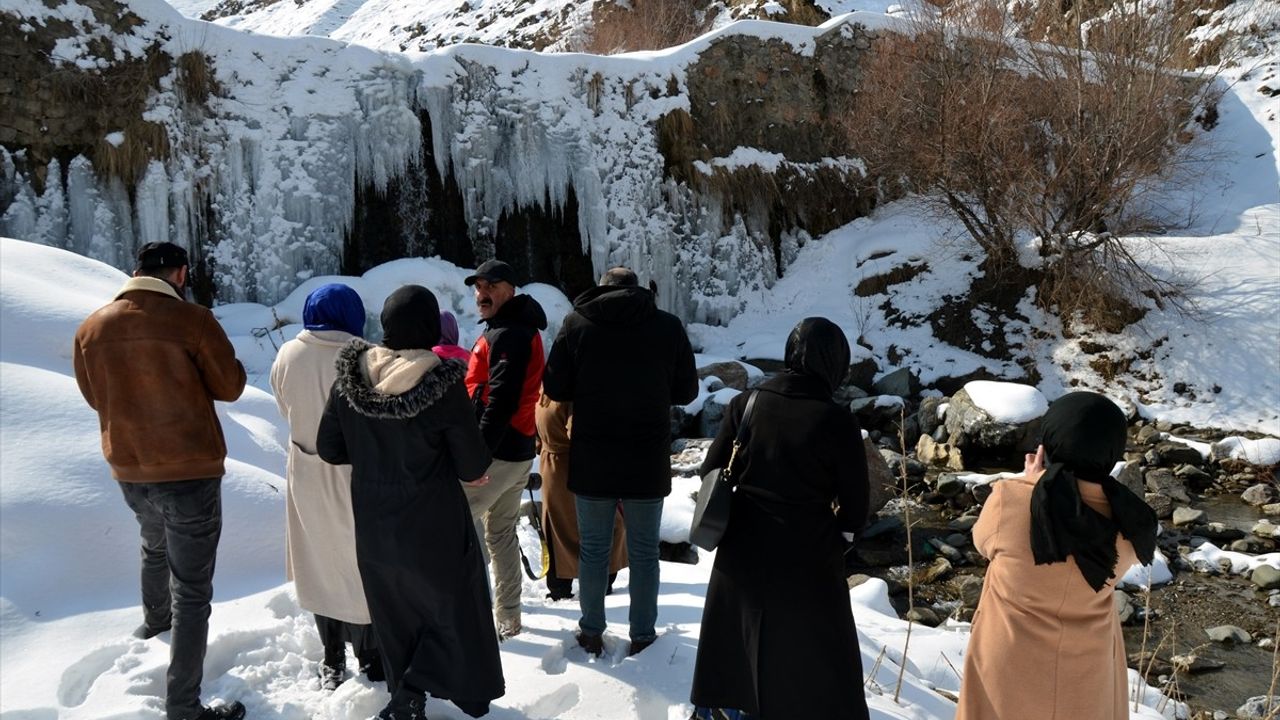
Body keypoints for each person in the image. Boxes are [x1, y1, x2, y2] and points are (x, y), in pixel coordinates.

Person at [73, 241, 247, 720]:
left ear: (135, 271)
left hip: (130, 469)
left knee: (153, 544)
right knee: (193, 590)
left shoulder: (92, 327)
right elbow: (230, 387)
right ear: (181, 274)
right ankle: (184, 706)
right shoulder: (192, 321)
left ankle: (155, 627)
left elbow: (94, 397)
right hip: (189, 470)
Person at [317, 285, 504, 720]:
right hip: (433, 522)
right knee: (455, 608)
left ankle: (409, 694)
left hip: (375, 526)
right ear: (427, 326)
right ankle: (437, 690)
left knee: (396, 612)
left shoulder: (350, 380)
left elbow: (330, 448)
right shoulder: (441, 383)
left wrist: (369, 449)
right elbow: (472, 462)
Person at [690, 317, 871, 720]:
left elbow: (711, 470)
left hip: (743, 547)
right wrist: (838, 541)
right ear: (834, 364)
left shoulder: (747, 403)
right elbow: (856, 508)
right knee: (814, 664)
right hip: (808, 554)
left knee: (735, 649)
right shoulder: (837, 420)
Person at [956, 391, 1157, 720]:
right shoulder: (1130, 526)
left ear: (1048, 442)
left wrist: (1031, 483)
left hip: (1007, 666)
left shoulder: (1009, 499)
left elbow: (983, 542)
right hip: (1087, 674)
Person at [542, 266, 698, 656]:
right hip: (646, 455)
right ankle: (642, 634)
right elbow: (687, 389)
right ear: (640, 291)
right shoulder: (667, 326)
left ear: (601, 290)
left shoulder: (576, 324)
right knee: (645, 552)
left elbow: (555, 386)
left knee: (593, 550)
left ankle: (591, 630)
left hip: (593, 455)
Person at [269, 283, 381, 690]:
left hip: (306, 471)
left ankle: (332, 659)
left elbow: (284, 405)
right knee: (358, 565)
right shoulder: (366, 358)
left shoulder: (287, 354)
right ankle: (370, 658)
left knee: (318, 562)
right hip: (355, 474)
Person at [462, 259, 548, 639]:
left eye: (491, 286)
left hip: (497, 453)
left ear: (509, 290)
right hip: (517, 450)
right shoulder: (511, 328)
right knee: (500, 533)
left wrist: (476, 455)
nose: (482, 293)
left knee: (462, 527)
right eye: (479, 286)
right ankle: (509, 617)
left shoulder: (510, 334)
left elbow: (501, 398)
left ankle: (473, 617)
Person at [534, 391, 627, 602]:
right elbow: (580, 432)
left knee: (556, 526)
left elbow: (538, 433)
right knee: (607, 522)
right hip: (575, 465)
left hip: (551, 464)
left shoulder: (544, 390)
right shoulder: (573, 394)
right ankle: (603, 579)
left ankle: (559, 585)